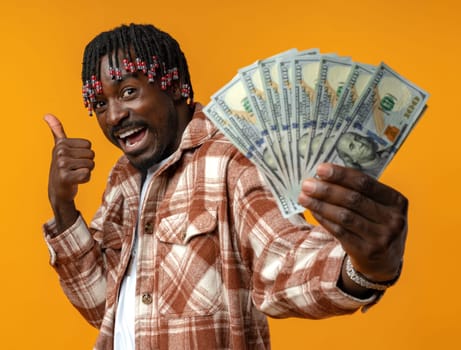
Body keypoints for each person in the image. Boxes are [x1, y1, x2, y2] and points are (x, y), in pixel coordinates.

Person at [43, 24, 408, 350]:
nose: (113, 116)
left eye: (127, 92)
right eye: (99, 104)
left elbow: (283, 256)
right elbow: (102, 305)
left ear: (174, 87)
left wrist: (362, 269)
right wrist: (62, 205)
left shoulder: (232, 158)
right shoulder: (123, 177)